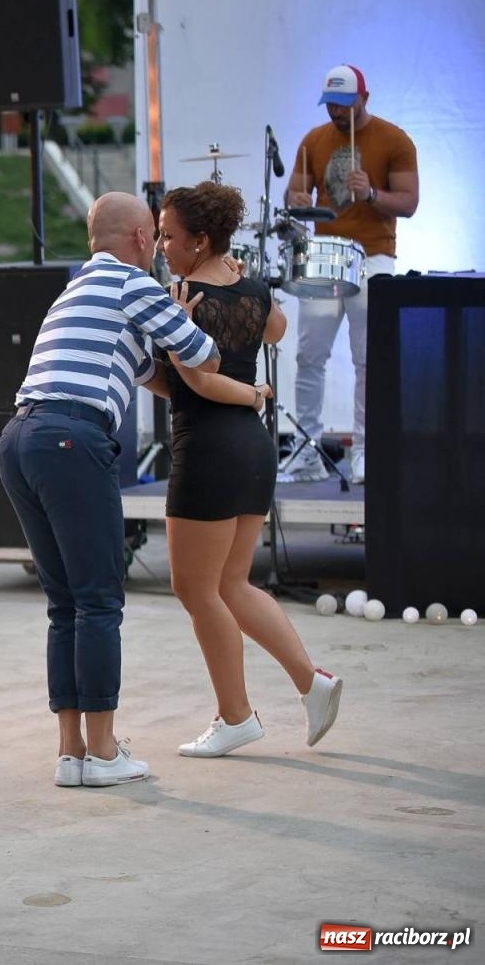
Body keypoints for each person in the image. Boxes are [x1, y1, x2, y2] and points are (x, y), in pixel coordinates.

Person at [0, 191, 219, 789]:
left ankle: (71, 754)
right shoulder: (134, 284)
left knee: (65, 603)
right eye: (159, 239)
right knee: (100, 601)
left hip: (19, 439)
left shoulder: (76, 289)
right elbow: (204, 355)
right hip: (71, 440)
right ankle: (103, 752)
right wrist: (185, 320)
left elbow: (151, 375)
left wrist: (163, 347)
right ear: (143, 239)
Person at [152, 182, 343, 758]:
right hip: (253, 451)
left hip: (209, 448)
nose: (161, 245)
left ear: (200, 240)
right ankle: (314, 683)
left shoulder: (180, 293)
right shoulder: (254, 289)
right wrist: (241, 285)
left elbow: (194, 379)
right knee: (231, 583)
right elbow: (276, 329)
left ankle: (236, 716)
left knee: (194, 588)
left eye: (169, 236)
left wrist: (252, 393)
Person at [283, 64, 418, 485]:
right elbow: (292, 193)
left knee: (368, 359)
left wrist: (372, 194)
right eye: (331, 105)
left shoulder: (395, 140)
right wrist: (297, 197)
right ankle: (307, 450)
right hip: (325, 253)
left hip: (374, 254)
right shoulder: (313, 141)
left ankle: (365, 453)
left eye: (344, 105)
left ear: (364, 98)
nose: (336, 114)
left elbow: (410, 203)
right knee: (310, 355)